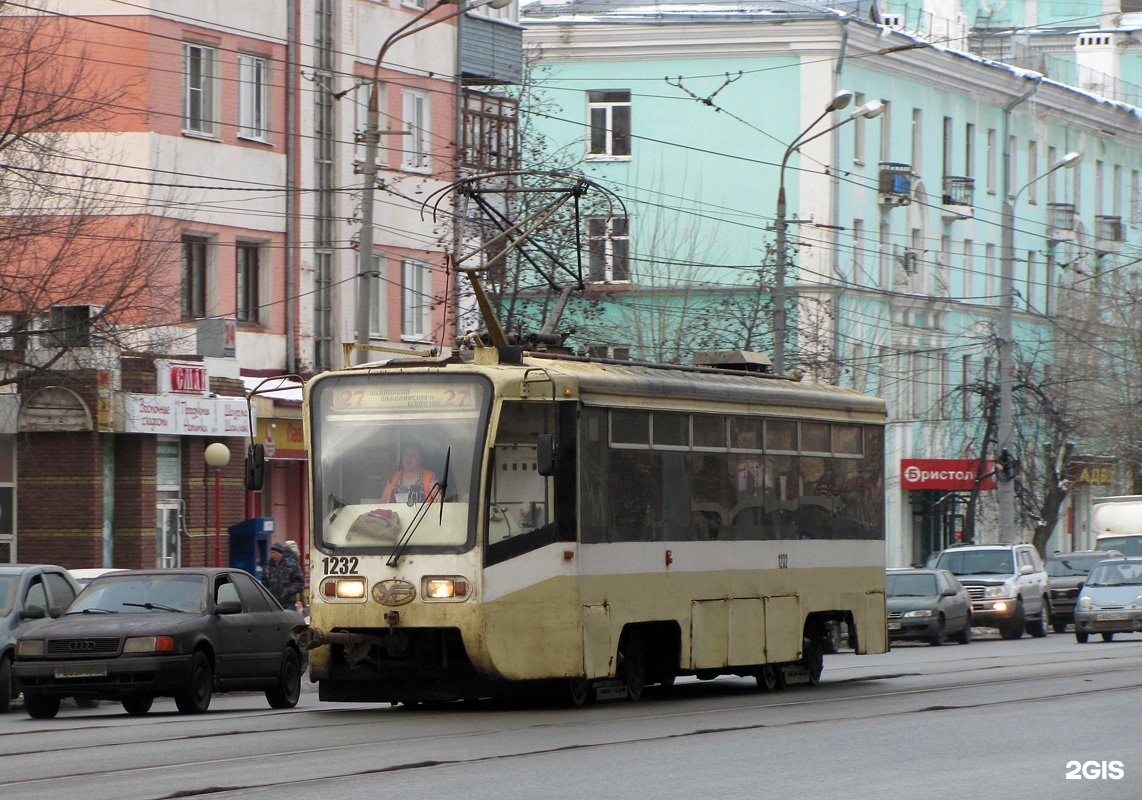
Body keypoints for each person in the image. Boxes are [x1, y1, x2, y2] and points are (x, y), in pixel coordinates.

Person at [263, 542, 304, 610]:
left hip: (288, 603)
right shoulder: (268, 567)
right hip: (273, 604)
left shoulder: (291, 565)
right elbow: (264, 583)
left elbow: (299, 583)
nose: (272, 555)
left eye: (274, 553)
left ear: (280, 553)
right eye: (271, 553)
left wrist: (287, 591)